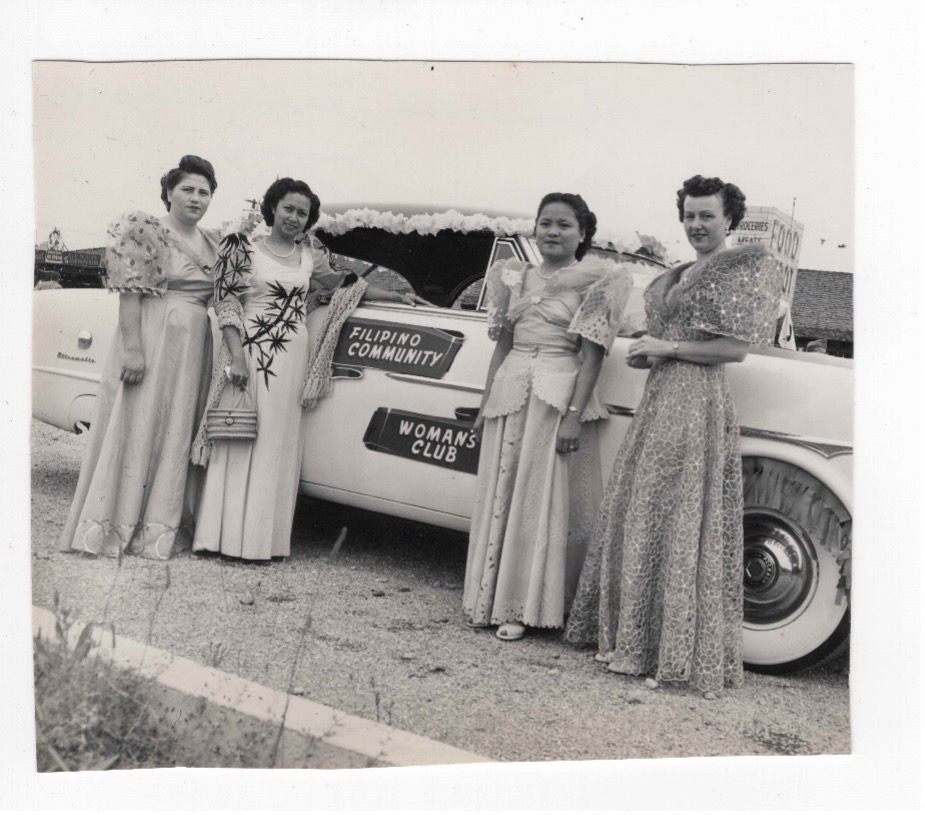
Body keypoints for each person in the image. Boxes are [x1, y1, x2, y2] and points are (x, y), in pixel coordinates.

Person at [565, 175, 781, 696]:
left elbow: (733, 349)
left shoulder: (742, 266)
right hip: (662, 395)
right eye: (689, 215)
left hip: (697, 399)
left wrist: (667, 350)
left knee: (681, 513)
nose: (697, 225)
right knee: (650, 507)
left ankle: (673, 650)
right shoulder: (680, 271)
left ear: (729, 219)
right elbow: (668, 339)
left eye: (707, 215)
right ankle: (635, 641)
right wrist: (648, 349)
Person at [191, 178, 428, 561]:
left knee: (276, 443)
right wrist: (235, 357)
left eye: (303, 213)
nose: (294, 217)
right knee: (240, 435)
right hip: (250, 352)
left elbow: (348, 285)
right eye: (288, 208)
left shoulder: (311, 256)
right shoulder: (241, 247)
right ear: (272, 208)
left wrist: (398, 295)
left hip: (292, 358)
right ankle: (221, 538)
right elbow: (227, 304)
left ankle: (259, 542)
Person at [463, 193, 633, 640]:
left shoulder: (599, 280)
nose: (552, 233)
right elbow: (501, 345)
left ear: (582, 233)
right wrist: (485, 404)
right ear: (534, 229)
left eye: (563, 225)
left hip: (555, 396)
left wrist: (574, 415)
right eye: (545, 224)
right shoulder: (512, 275)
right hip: (510, 391)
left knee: (538, 500)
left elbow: (592, 356)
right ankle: (489, 599)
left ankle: (525, 608)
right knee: (503, 490)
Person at [60, 155, 220, 559]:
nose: (195, 198)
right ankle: (114, 524)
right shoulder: (146, 230)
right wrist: (132, 348)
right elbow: (130, 293)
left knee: (177, 424)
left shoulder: (214, 241)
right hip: (152, 334)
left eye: (204, 192)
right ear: (168, 192)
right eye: (187, 189)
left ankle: (161, 528)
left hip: (193, 345)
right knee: (140, 421)